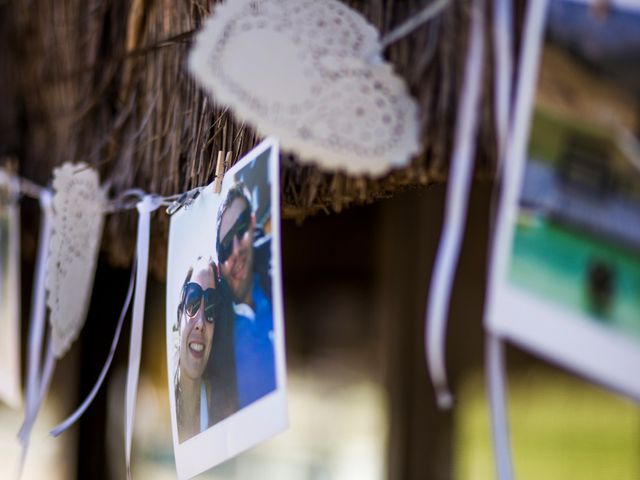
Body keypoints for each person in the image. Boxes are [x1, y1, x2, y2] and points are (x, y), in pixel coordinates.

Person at [216, 182, 276, 409]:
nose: (236, 249)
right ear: (220, 266)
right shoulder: (219, 330)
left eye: (240, 228)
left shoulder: (275, 276)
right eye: (224, 247)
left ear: (252, 224)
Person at [173, 257, 237, 443]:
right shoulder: (158, 400)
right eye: (192, 300)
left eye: (210, 306)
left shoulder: (222, 414)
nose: (200, 323)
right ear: (179, 315)